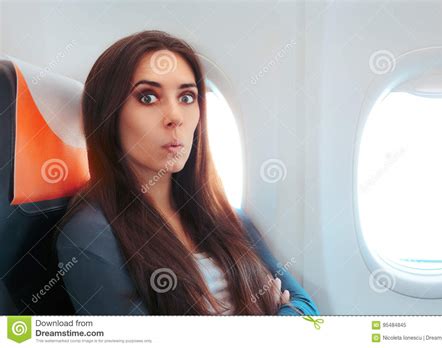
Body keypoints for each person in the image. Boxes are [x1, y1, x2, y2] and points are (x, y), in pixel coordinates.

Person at [56, 30, 319, 316]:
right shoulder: (90, 234)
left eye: (186, 97)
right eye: (147, 97)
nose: (175, 117)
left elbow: (306, 307)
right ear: (108, 115)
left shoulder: (230, 216)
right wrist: (272, 311)